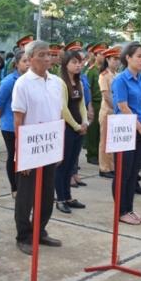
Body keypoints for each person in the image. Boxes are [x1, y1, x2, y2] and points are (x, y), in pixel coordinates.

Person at [10, 39, 65, 255]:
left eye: (49, 54)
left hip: (49, 146)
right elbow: (18, 120)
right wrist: (21, 155)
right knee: (26, 195)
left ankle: (40, 230)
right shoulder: (22, 83)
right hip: (30, 148)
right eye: (41, 54)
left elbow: (58, 114)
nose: (46, 58)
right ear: (30, 58)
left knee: (46, 192)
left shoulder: (55, 82)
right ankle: (23, 235)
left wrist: (58, 147)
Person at [111, 42, 141, 224]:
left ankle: (129, 208)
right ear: (128, 58)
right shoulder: (120, 80)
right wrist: (140, 127)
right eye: (139, 56)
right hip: (125, 128)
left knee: (134, 171)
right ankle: (121, 211)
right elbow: (122, 106)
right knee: (123, 172)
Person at [54, 43, 88, 213]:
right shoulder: (61, 82)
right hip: (66, 129)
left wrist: (85, 122)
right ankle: (60, 198)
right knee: (63, 165)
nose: (78, 65)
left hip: (78, 128)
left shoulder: (79, 81)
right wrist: (75, 126)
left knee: (71, 165)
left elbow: (81, 104)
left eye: (80, 62)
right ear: (66, 64)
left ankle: (68, 196)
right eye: (74, 62)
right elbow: (63, 108)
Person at [0, 49, 29, 196]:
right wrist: (5, 119)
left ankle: (24, 185)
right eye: (24, 61)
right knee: (13, 156)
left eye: (29, 61)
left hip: (26, 126)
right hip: (10, 127)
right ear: (16, 64)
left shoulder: (31, 80)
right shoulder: (9, 81)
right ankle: (14, 187)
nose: (28, 64)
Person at [97, 46, 121, 178]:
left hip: (116, 112)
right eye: (114, 59)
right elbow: (106, 96)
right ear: (107, 59)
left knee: (113, 141)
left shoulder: (117, 75)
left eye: (118, 59)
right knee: (105, 140)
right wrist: (118, 109)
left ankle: (112, 166)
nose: (117, 62)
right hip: (108, 111)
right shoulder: (104, 75)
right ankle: (104, 168)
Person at [84, 43, 107, 166]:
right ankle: (91, 154)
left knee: (101, 131)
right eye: (101, 54)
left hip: (104, 102)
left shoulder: (104, 71)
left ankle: (98, 153)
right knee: (93, 130)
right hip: (95, 102)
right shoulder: (91, 71)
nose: (103, 56)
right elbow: (88, 89)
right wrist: (90, 105)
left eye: (104, 54)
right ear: (96, 55)